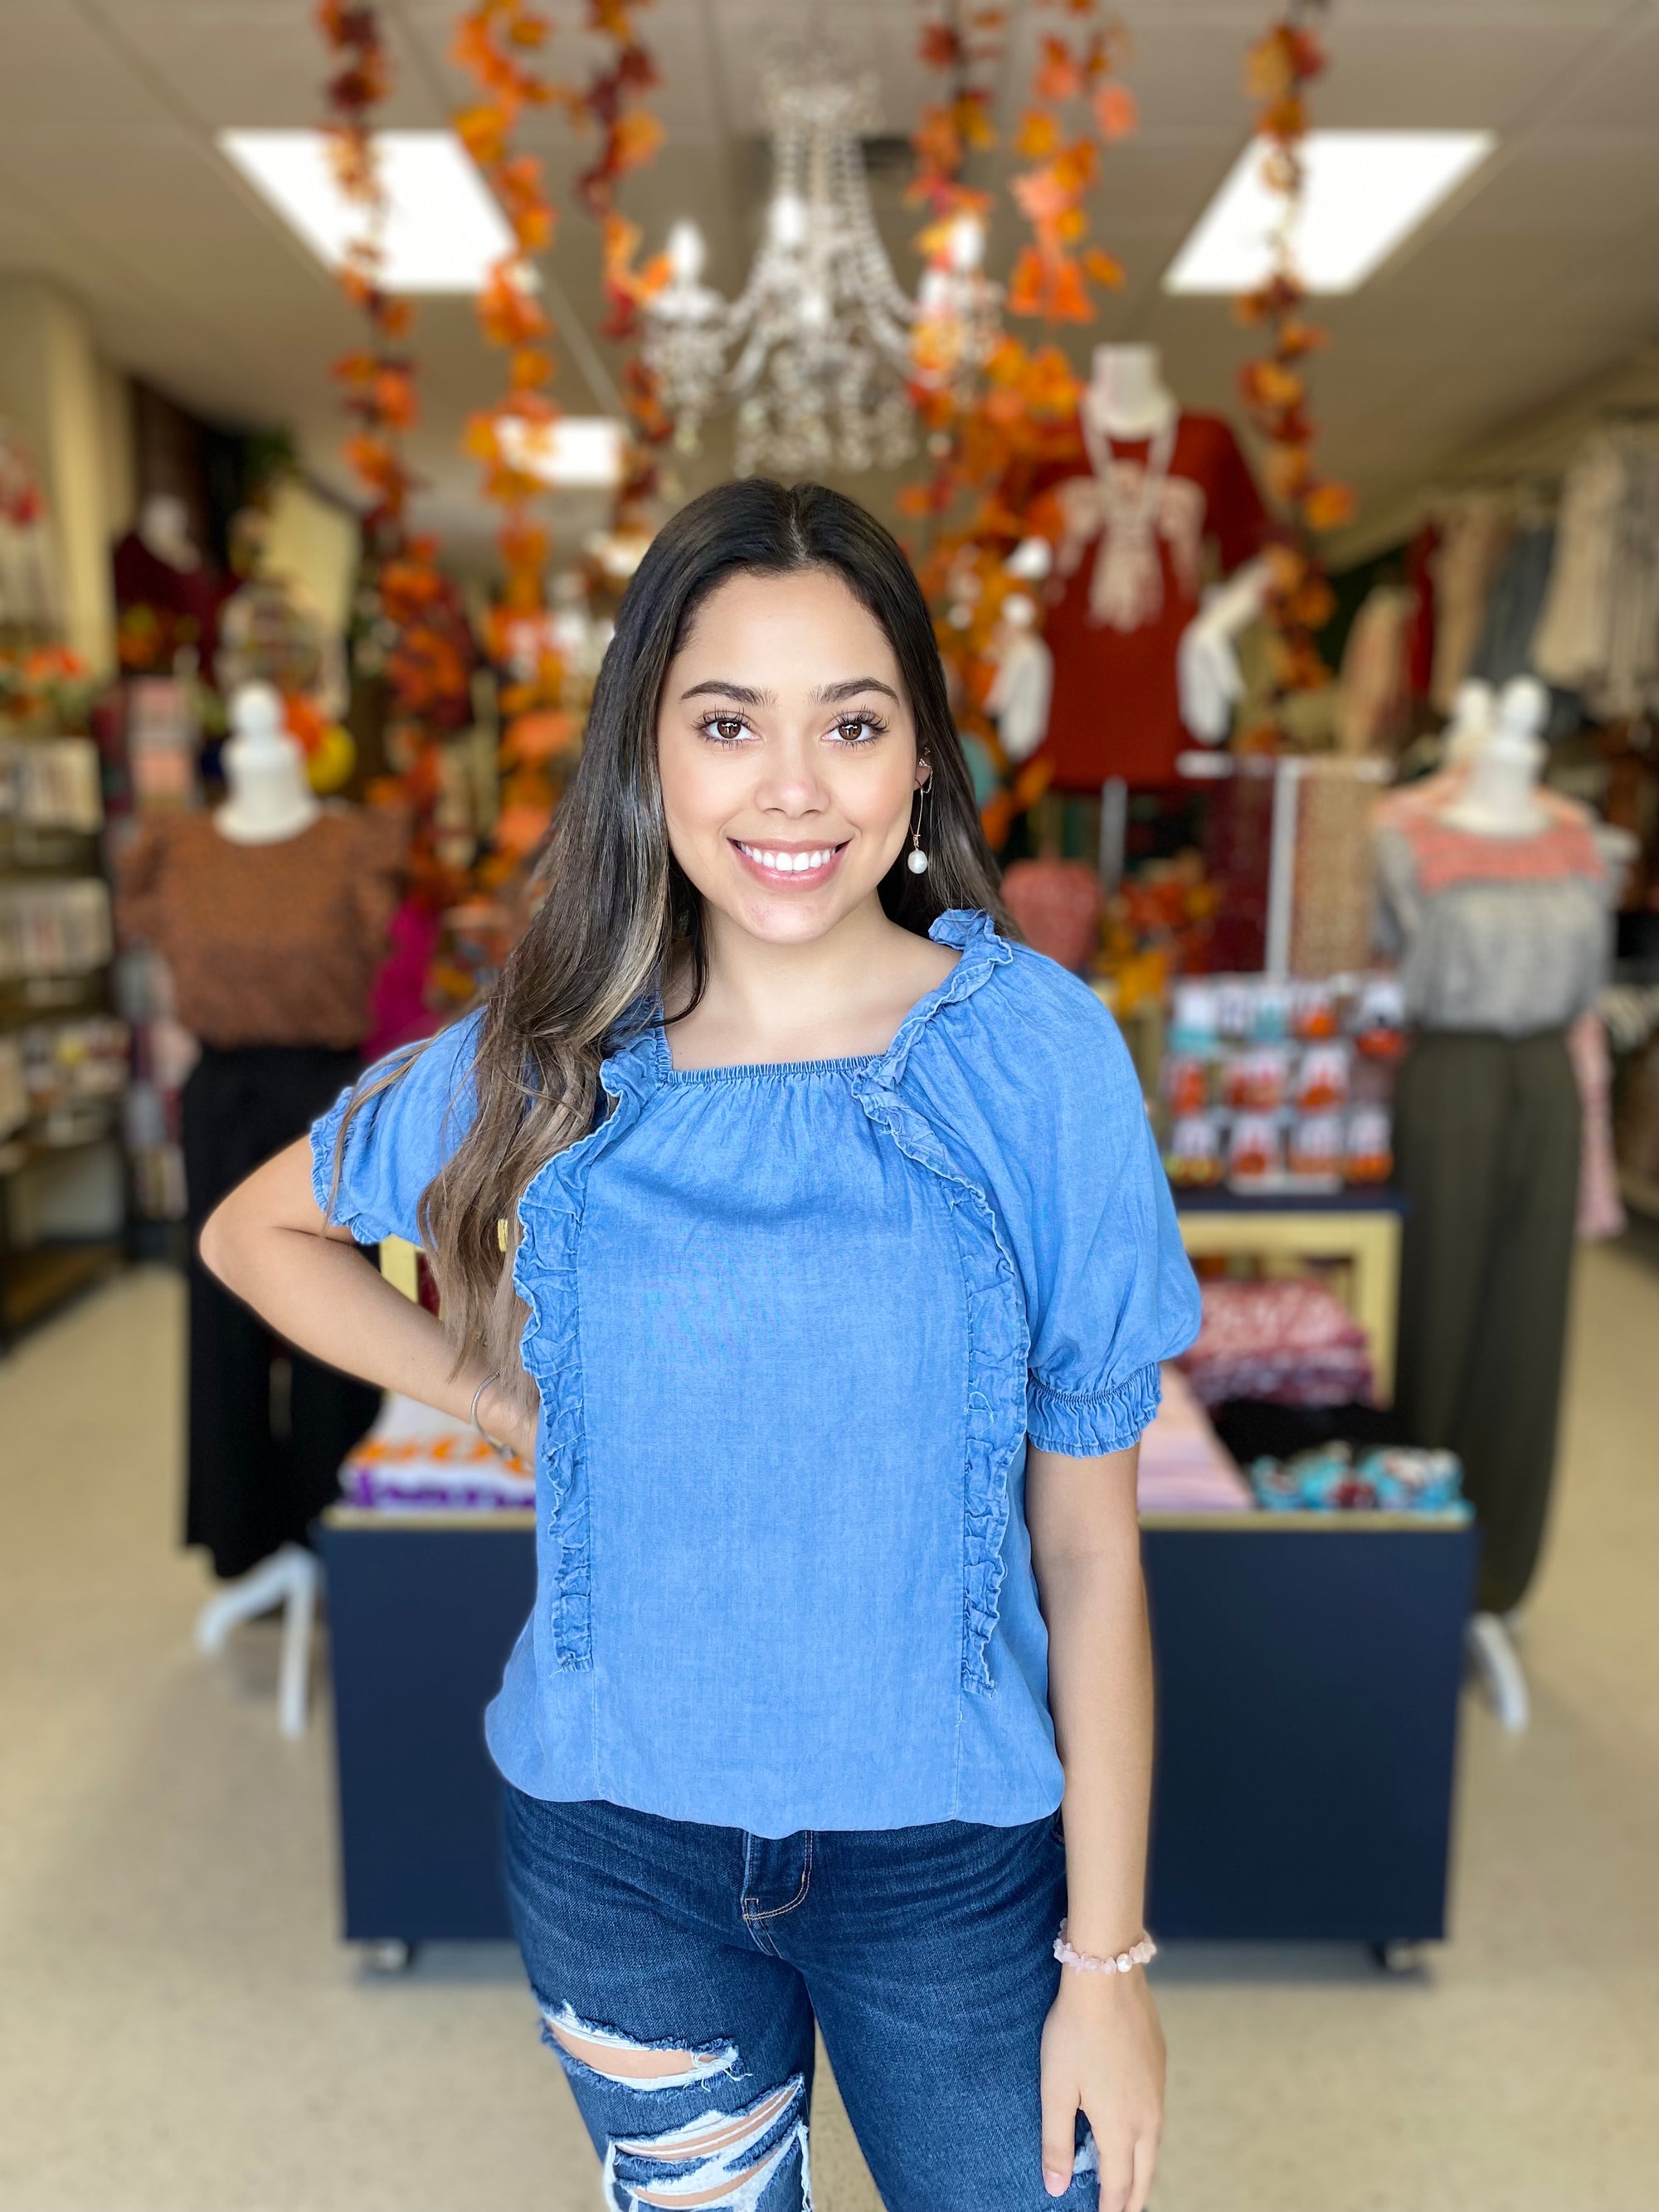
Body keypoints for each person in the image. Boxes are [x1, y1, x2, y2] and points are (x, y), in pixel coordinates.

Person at [202, 479, 1201, 2212]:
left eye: (853, 722)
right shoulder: (550, 1053)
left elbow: (1092, 1552)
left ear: (915, 764)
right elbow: (254, 1230)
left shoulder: (1031, 1056)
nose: (793, 786)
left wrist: (1106, 1968)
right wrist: (502, 1398)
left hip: (954, 1869)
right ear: (646, 753)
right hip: (613, 1859)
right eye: (728, 722)